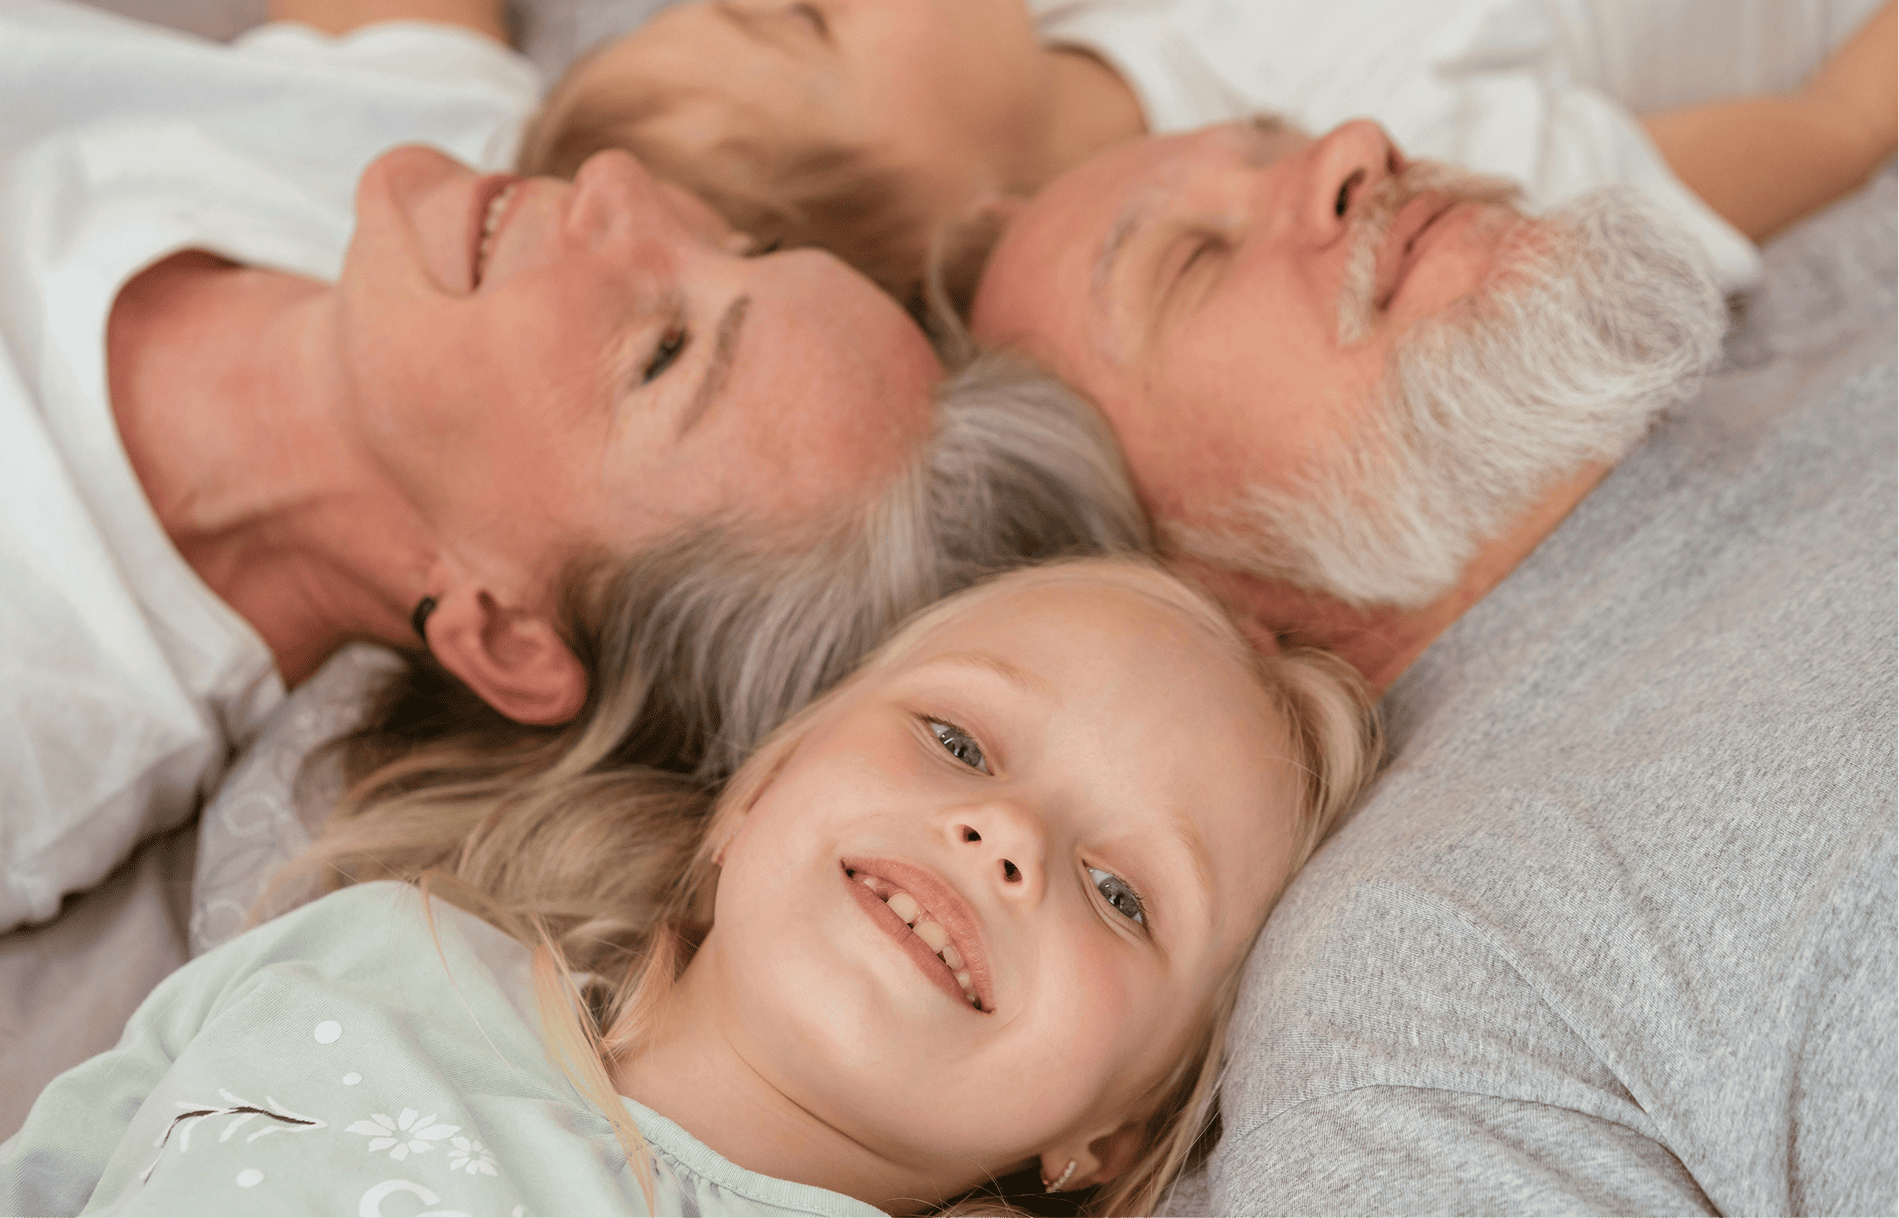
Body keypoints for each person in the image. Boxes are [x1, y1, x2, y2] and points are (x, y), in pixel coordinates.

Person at [0, 0, 1151, 934]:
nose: (618, 187)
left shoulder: (37, 702)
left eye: (660, 354)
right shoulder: (456, 150)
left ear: (503, 632)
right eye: (740, 243)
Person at [969, 67, 1899, 1218]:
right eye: (1197, 260)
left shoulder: (1792, 289)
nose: (1359, 143)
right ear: (1171, 578)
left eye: (1282, 138)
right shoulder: (1423, 986)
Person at [0, 559, 1381, 1217]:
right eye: (956, 740)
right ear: (757, 790)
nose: (1003, 833)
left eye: (1121, 892)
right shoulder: (375, 950)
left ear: (1114, 1136)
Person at [514, 0, 1891, 305]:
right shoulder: (1339, 174)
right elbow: (1778, 147)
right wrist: (1853, 110)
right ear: (975, 219)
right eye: (804, 16)